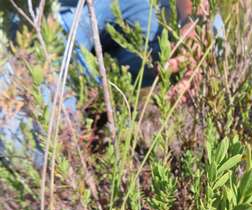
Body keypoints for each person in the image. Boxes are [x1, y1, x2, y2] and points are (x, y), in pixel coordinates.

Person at [0, 0, 224, 168]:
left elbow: (197, 19)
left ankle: (98, 94)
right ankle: (85, 104)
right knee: (24, 144)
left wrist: (192, 21)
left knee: (213, 39)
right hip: (45, 12)